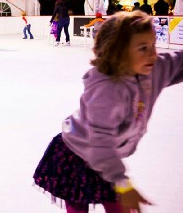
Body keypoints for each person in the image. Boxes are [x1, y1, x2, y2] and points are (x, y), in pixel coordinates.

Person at [33, 11, 183, 213]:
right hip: (77, 154)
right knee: (80, 207)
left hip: (106, 156)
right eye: (143, 48)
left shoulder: (152, 68)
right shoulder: (107, 89)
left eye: (153, 45)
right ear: (118, 51)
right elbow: (100, 141)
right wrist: (123, 184)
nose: (153, 54)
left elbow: (177, 62)